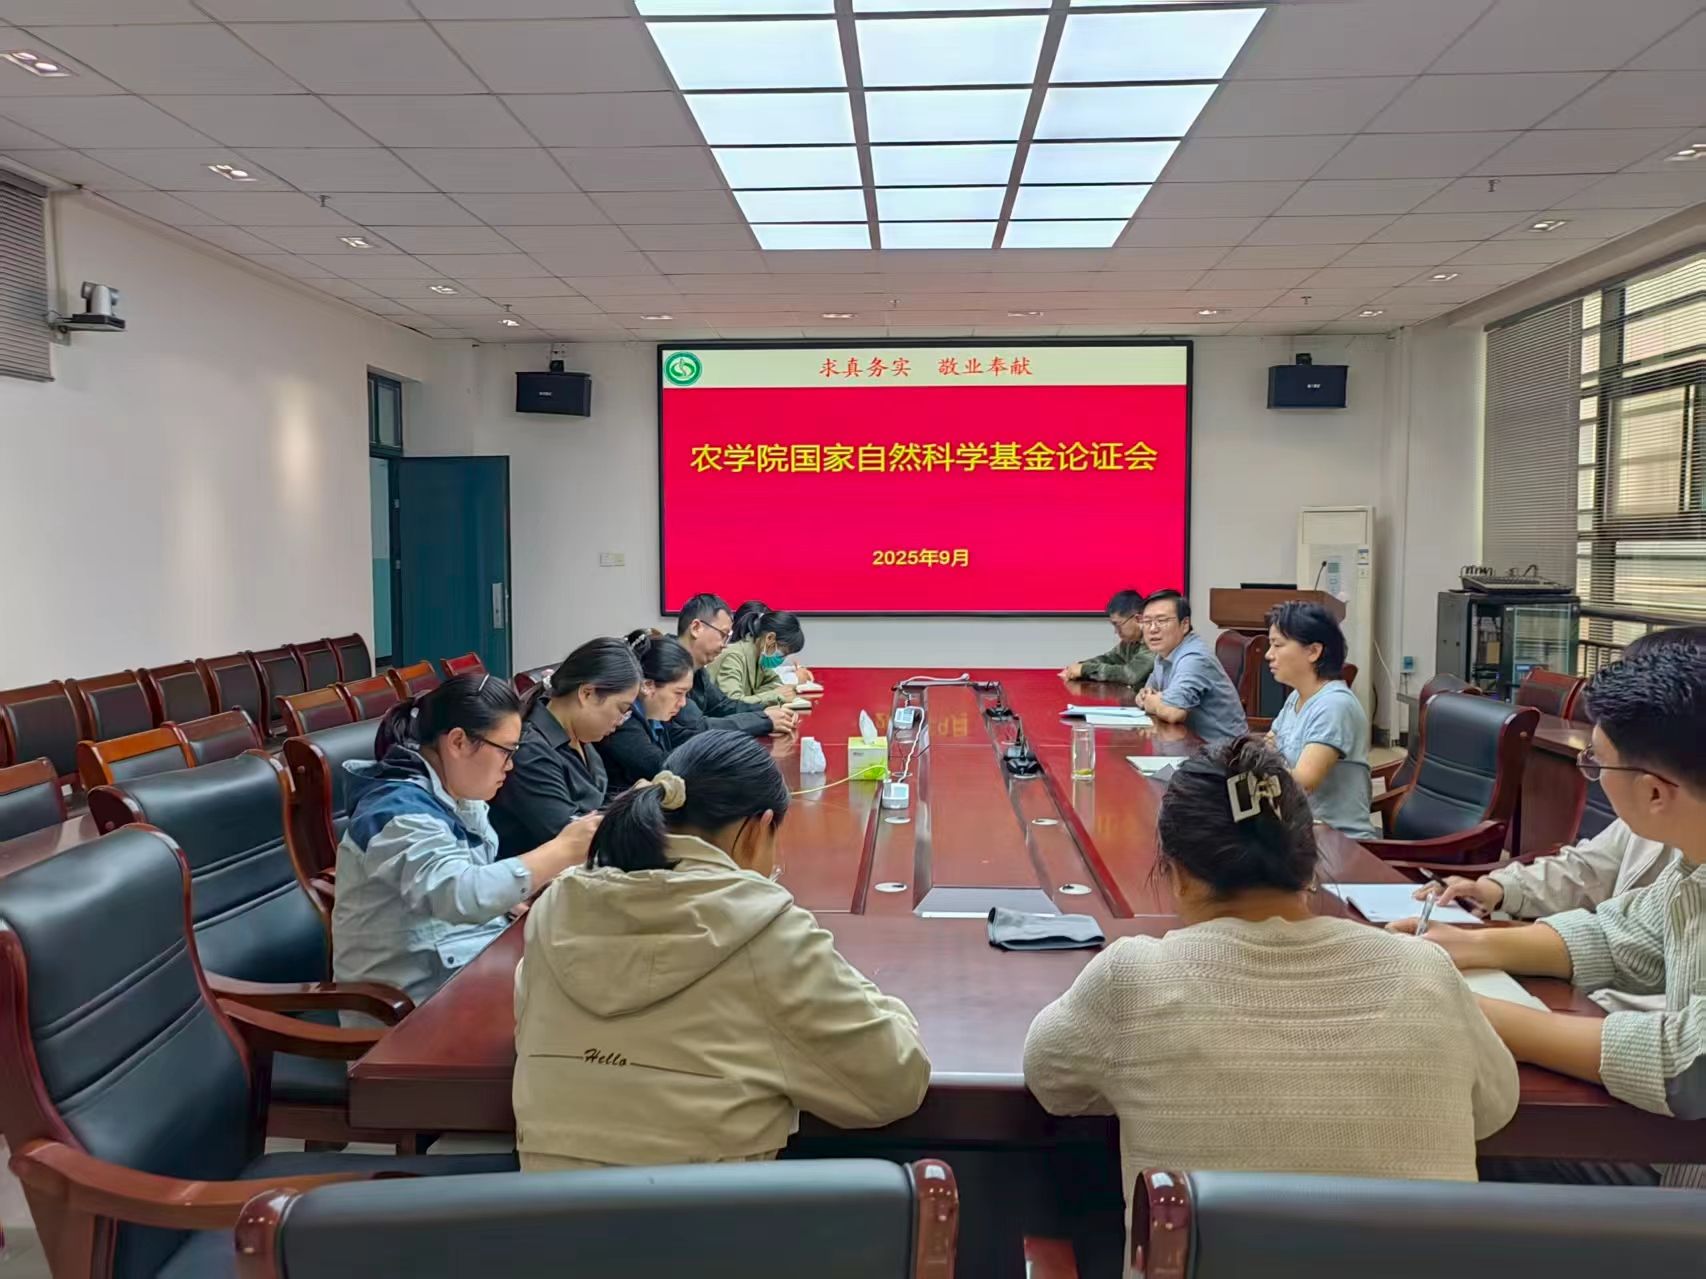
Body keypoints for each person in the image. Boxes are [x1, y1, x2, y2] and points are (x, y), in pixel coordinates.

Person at [1023, 735, 1517, 1198]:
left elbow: (1052, 1082)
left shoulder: (1131, 980)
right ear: (1308, 866)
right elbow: (1494, 1106)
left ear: (1178, 876)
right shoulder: (1425, 971)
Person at [513, 731, 932, 1170]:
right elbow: (893, 1084)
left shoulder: (557, 905)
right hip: (706, 1212)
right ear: (757, 829)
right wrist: (891, 1008)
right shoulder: (764, 928)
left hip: (546, 1210)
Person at [1390, 645, 1706, 1184]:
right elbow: (1619, 935)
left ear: (1655, 792)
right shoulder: (1690, 865)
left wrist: (1473, 1013)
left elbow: (1688, 1067)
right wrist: (1471, 944)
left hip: (1682, 1188)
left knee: (1444, 1138)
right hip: (1675, 1153)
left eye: (1597, 763)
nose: (1592, 774)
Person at [1420, 627, 1706, 943]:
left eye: (1598, 762)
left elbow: (1629, 948)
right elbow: (1589, 869)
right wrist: (1496, 889)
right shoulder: (1665, 812)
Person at [332, 674, 599, 1008]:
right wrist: (562, 850)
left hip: (464, 967)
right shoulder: (396, 813)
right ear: (458, 742)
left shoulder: (456, 794)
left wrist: (506, 902)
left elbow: (464, 878)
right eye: (506, 751)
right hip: (411, 1008)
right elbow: (459, 894)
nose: (511, 766)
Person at [489, 638, 641, 859]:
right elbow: (570, 838)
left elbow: (594, 807)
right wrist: (632, 804)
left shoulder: (581, 740)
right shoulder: (530, 752)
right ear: (587, 693)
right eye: (622, 709)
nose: (621, 720)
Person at [1264, 600, 1376, 839]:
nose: (1268, 655)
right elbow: (1267, 746)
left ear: (1313, 651)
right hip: (1296, 830)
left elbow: (1301, 784)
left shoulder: (1334, 705)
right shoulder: (1297, 696)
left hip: (1335, 840)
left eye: (1277, 645)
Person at [674, 592, 797, 739]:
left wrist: (765, 711)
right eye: (723, 635)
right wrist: (764, 721)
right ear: (696, 628)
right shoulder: (668, 664)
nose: (724, 645)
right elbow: (698, 727)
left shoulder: (696, 668)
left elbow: (723, 706)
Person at [1134, 589, 1250, 743]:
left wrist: (1152, 702)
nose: (1153, 629)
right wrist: (1148, 698)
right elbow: (1146, 694)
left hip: (1224, 752)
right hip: (1190, 745)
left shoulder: (1194, 658)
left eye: (1162, 621)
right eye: (1147, 622)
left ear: (1184, 624)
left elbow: (1174, 712)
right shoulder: (1164, 653)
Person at [595, 632, 698, 792]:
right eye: (678, 693)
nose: (683, 703)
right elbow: (660, 766)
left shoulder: (654, 715)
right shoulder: (622, 720)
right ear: (647, 686)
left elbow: (684, 736)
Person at [709, 603, 814, 708]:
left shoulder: (759, 656)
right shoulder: (734, 656)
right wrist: (774, 695)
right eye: (783, 652)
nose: (783, 658)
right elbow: (732, 704)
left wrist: (768, 694)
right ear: (770, 638)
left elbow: (775, 683)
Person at [1059, 588, 1155, 686]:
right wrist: (1079, 666)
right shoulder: (1130, 641)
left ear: (1138, 619)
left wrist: (1085, 670)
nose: (1116, 631)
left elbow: (1130, 674)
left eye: (1118, 625)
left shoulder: (1154, 640)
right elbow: (1109, 659)